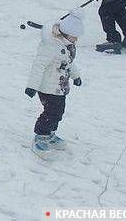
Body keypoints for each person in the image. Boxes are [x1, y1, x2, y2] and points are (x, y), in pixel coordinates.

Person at [25, 11, 83, 157]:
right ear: (65, 33)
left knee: (58, 112)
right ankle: (40, 136)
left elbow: (69, 63)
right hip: (47, 87)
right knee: (51, 112)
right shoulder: (50, 46)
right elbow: (38, 66)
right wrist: (32, 86)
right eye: (73, 37)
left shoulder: (67, 46)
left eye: (77, 38)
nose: (75, 40)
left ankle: (50, 133)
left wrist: (76, 76)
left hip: (60, 87)